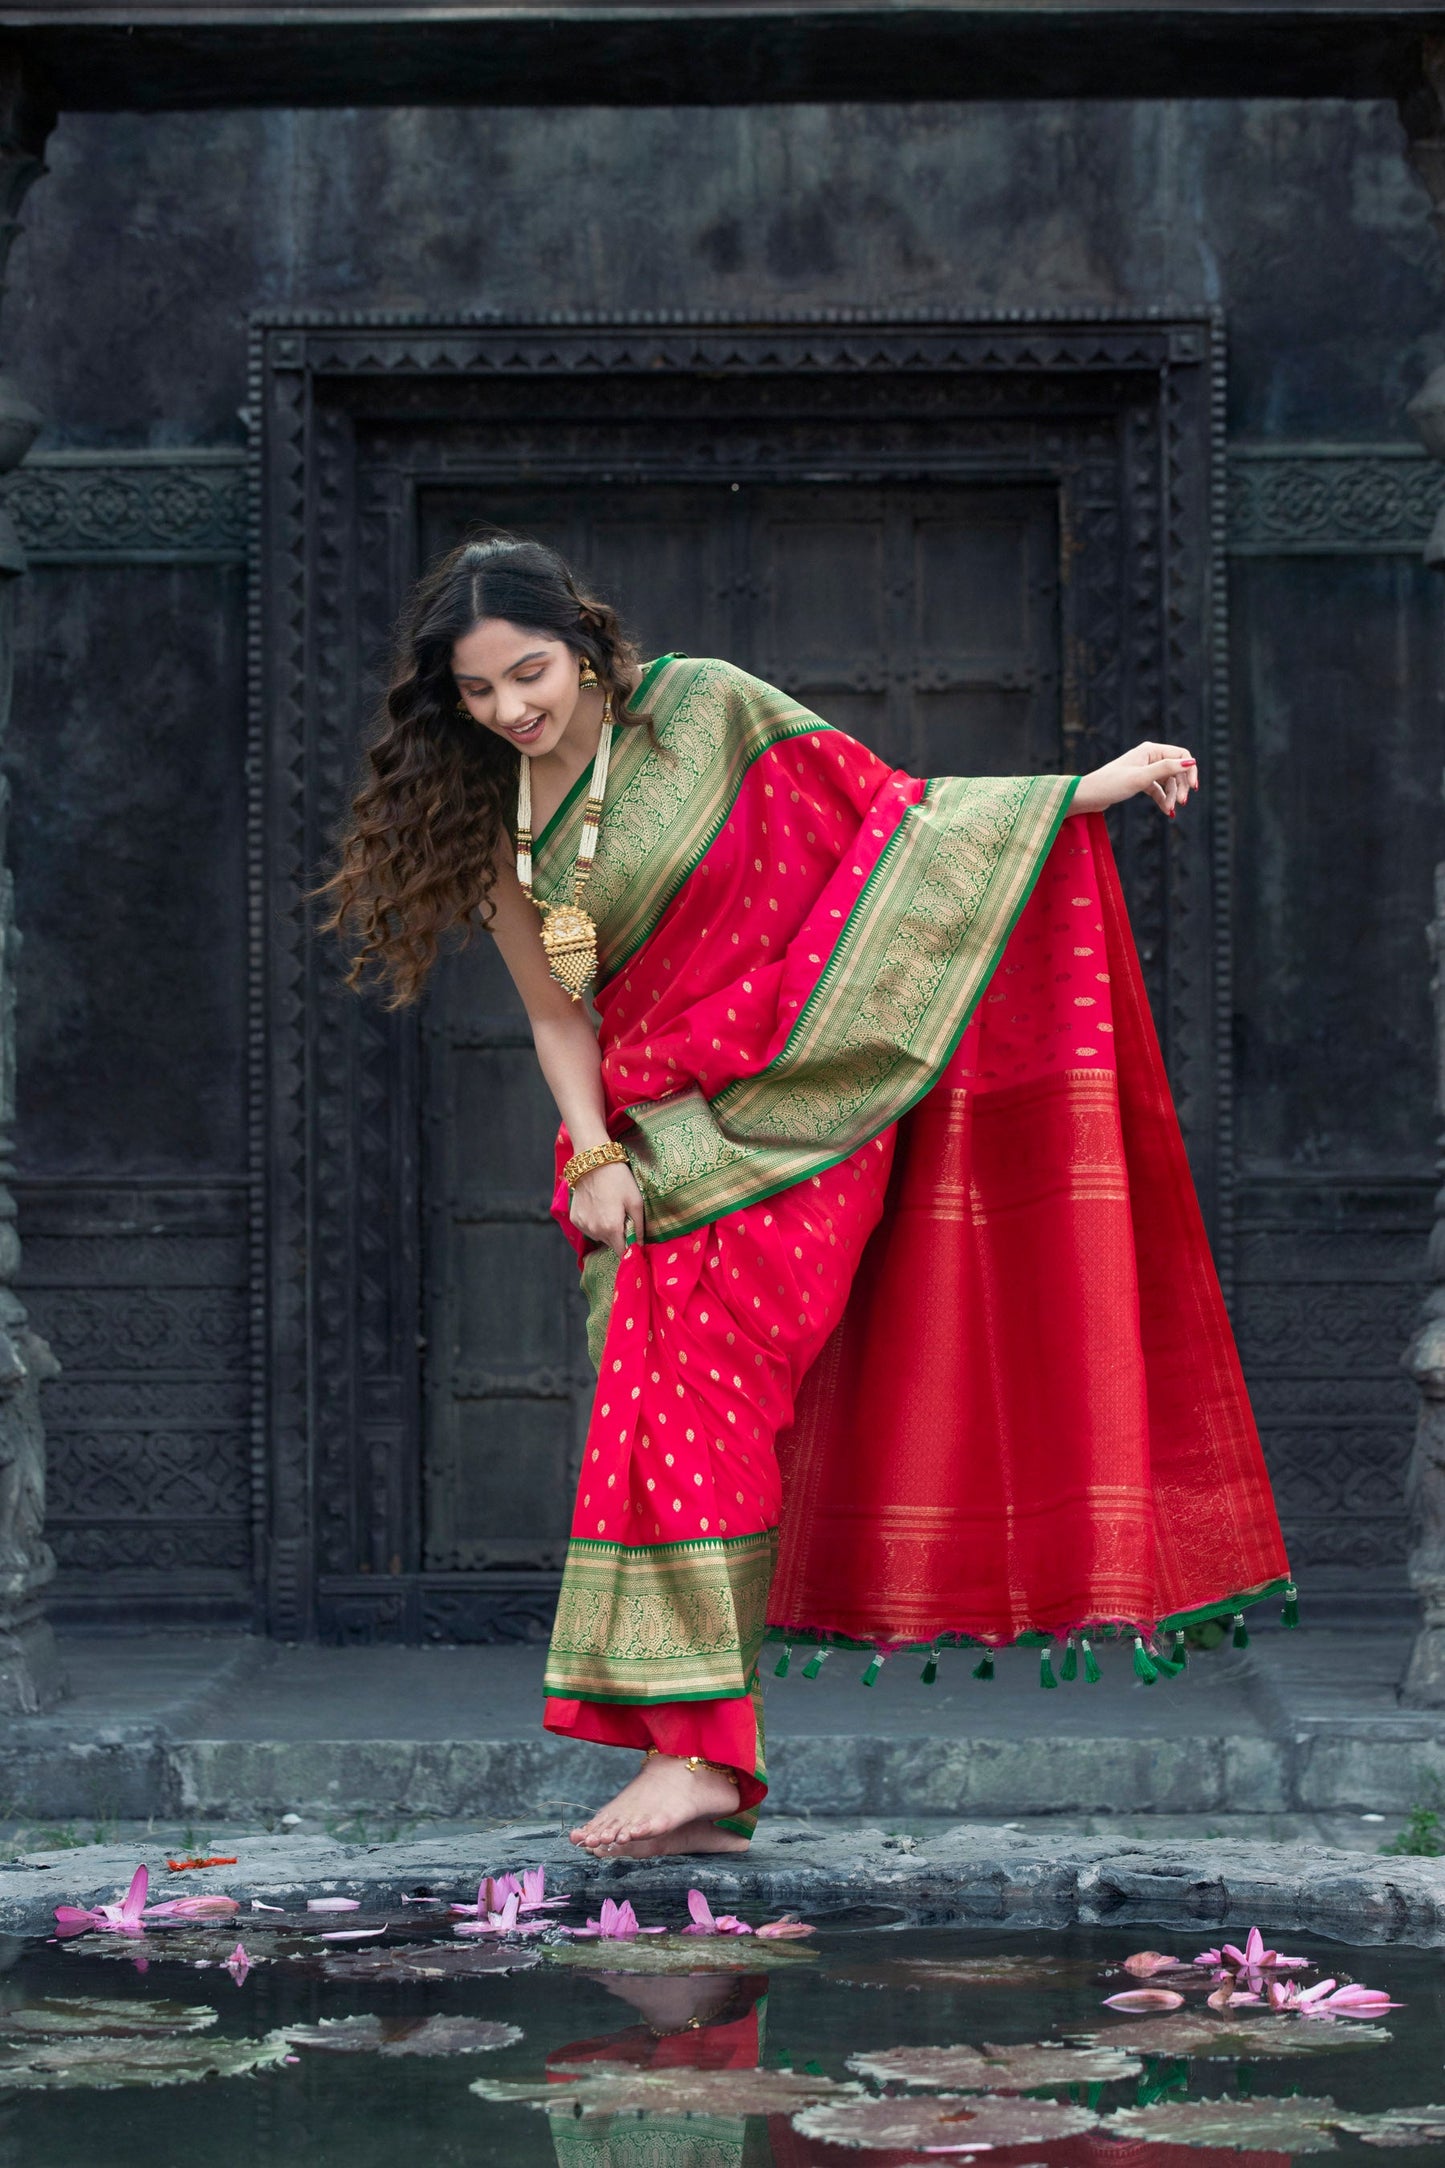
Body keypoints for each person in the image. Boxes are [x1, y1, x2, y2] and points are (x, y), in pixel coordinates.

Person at [322, 534, 1294, 1862]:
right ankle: (692, 1752)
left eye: (529, 675)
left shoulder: (713, 710)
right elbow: (557, 1016)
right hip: (649, 1150)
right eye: (479, 695)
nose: (511, 711)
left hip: (803, 1115)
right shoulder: (507, 821)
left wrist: (1084, 791)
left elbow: (900, 822)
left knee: (705, 1412)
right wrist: (593, 1153)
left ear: (589, 647)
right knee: (653, 1428)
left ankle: (704, 1759)